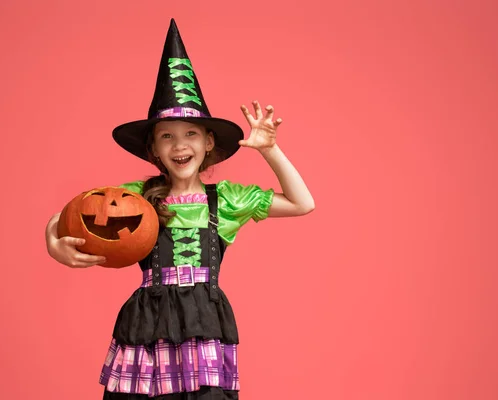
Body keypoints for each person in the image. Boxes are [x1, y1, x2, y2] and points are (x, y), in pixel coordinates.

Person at [45, 19, 314, 399]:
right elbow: (65, 218)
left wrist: (270, 150)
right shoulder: (136, 197)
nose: (178, 145)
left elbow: (303, 203)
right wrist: (53, 243)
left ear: (207, 143)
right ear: (154, 149)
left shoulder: (228, 199)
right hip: (146, 326)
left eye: (190, 134)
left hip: (204, 324)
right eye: (166, 137)